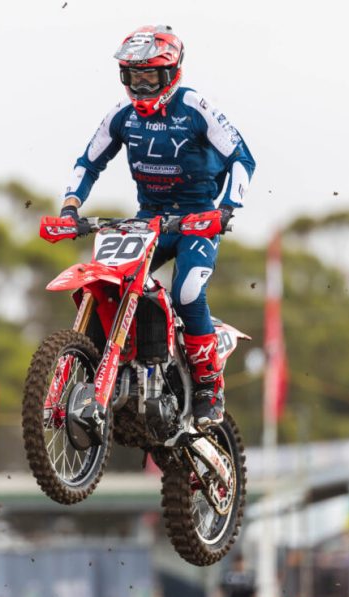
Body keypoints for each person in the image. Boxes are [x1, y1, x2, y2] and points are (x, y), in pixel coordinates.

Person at [59, 24, 257, 427]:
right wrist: (69, 208)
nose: (143, 85)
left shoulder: (195, 106)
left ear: (172, 73)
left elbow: (242, 158)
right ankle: (108, 370)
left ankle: (207, 388)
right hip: (148, 218)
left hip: (196, 218)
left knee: (186, 291)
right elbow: (88, 162)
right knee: (107, 281)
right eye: (135, 76)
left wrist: (226, 208)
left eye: (151, 75)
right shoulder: (121, 114)